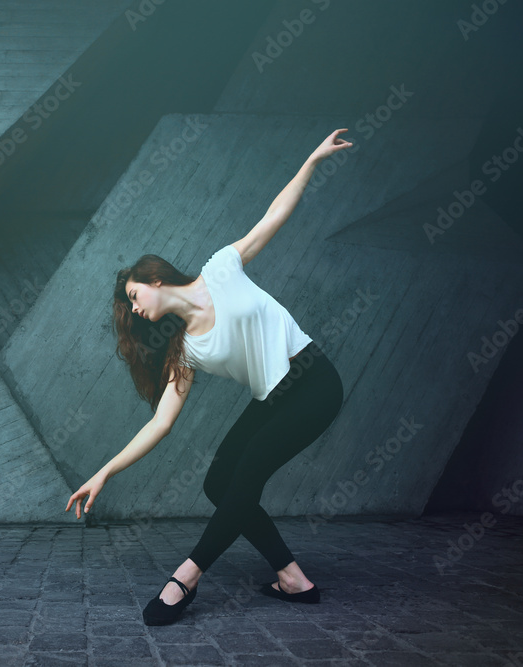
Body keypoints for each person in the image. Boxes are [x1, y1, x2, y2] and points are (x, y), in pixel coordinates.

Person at [65, 129, 353, 626]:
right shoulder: (184, 350)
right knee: (220, 482)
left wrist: (309, 160)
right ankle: (292, 579)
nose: (134, 309)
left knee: (244, 476)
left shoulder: (220, 267)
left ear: (155, 279)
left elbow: (272, 218)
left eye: (134, 297)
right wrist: (104, 472)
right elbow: (161, 424)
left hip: (313, 382)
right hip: (275, 397)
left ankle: (187, 577)